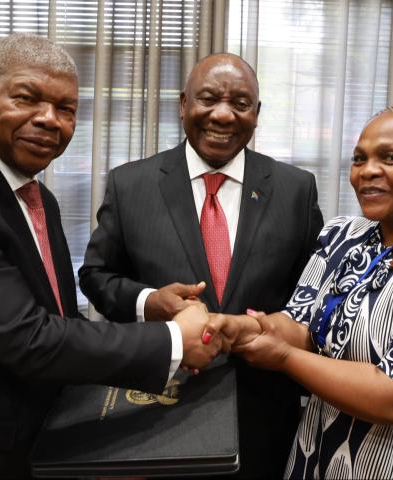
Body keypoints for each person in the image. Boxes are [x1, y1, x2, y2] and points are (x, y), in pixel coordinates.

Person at [0, 33, 222, 479]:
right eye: (27, 98)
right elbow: (30, 339)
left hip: (41, 442)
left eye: (66, 109)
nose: (48, 120)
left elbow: (60, 320)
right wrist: (174, 341)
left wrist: (151, 309)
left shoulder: (36, 195)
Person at [79, 53, 324, 478]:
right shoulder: (130, 184)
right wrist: (151, 302)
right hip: (158, 408)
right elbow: (96, 276)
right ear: (183, 104)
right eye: (208, 99)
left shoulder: (294, 189)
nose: (223, 114)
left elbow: (316, 294)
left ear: (257, 113)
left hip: (264, 412)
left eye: (241, 103)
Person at [205, 104, 393, 478]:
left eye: (390, 158)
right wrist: (237, 328)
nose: (367, 171)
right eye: (359, 159)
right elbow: (298, 323)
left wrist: (283, 358)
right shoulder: (343, 235)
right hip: (321, 451)